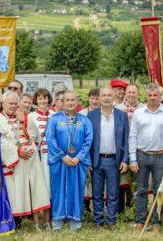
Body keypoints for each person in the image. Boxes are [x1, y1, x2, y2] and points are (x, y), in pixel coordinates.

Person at [0, 91, 51, 229]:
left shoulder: (24, 117)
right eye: (10, 103)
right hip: (13, 163)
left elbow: (35, 136)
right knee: (15, 193)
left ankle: (28, 219)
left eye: (15, 103)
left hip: (29, 160)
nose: (13, 106)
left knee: (31, 190)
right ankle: (13, 221)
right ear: (3, 104)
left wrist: (24, 120)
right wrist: (17, 151)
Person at [129, 83, 163, 232]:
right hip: (141, 156)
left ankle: (156, 222)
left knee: (158, 190)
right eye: (149, 95)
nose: (152, 98)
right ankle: (140, 220)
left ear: (160, 96)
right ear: (146, 96)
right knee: (141, 190)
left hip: (160, 156)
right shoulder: (138, 113)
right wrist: (132, 159)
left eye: (155, 95)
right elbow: (132, 136)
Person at [45, 91, 93, 231]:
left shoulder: (85, 121)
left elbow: (88, 141)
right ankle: (58, 219)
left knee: (76, 188)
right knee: (58, 189)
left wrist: (78, 157)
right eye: (67, 100)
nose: (70, 102)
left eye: (73, 100)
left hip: (77, 162)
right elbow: (50, 139)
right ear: (62, 102)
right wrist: (62, 156)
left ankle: (75, 219)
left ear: (77, 101)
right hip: (59, 161)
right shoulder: (54, 119)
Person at [88, 87, 130, 231]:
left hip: (114, 161)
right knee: (97, 193)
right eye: (103, 95)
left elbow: (126, 139)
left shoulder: (122, 115)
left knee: (113, 193)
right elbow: (87, 140)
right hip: (96, 160)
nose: (106, 98)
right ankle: (98, 221)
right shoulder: (91, 115)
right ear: (99, 98)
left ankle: (111, 221)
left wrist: (125, 160)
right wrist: (87, 160)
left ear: (113, 97)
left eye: (109, 95)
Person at [26, 88, 53, 231]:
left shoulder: (54, 115)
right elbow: (29, 138)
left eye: (45, 98)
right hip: (37, 157)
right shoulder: (31, 116)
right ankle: (36, 223)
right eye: (40, 98)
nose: (43, 101)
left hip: (51, 158)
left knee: (49, 188)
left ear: (49, 99)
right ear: (36, 100)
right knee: (37, 187)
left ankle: (48, 221)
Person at [118, 83, 145, 212]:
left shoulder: (144, 108)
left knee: (136, 178)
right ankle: (120, 209)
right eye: (129, 92)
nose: (131, 95)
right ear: (125, 93)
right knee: (121, 178)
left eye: (134, 92)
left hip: (138, 147)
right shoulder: (117, 108)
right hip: (122, 147)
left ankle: (134, 208)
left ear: (138, 94)